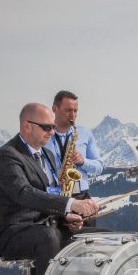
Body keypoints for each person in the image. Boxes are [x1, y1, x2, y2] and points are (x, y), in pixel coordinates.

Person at [0, 103, 99, 275]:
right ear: (26, 126)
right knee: (48, 237)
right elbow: (24, 193)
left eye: (53, 127)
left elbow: (48, 196)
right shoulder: (6, 156)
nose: (52, 132)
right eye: (46, 127)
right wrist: (71, 204)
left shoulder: (46, 155)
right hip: (12, 232)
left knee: (99, 237)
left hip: (46, 227)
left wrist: (66, 216)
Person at [44, 90, 103, 227]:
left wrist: (83, 161)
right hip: (55, 199)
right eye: (68, 110)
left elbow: (99, 167)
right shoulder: (44, 135)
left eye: (76, 111)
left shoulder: (84, 133)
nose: (73, 115)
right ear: (54, 109)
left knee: (87, 243)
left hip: (81, 197)